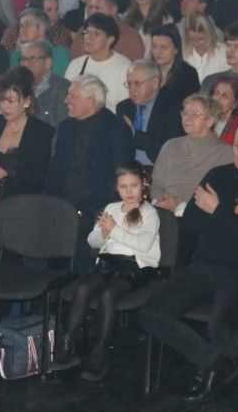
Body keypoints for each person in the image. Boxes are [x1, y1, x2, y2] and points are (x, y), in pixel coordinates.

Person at [139, 122, 238, 403]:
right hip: (205, 266)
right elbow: (192, 223)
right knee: (151, 312)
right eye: (237, 145)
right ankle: (215, 364)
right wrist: (234, 212)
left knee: (222, 329)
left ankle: (213, 373)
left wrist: (219, 211)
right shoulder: (218, 175)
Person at [52, 161, 161, 381]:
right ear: (116, 187)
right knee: (82, 289)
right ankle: (67, 343)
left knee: (108, 293)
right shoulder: (111, 209)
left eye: (134, 186)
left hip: (136, 265)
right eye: (123, 187)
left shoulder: (149, 213)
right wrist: (102, 232)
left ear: (144, 185)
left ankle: (100, 351)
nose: (129, 192)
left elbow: (144, 245)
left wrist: (115, 230)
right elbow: (92, 242)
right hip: (108, 261)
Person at [46, 75, 134, 271]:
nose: (66, 101)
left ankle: (74, 293)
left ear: (91, 101)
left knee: (78, 244)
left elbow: (120, 181)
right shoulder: (66, 127)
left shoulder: (116, 128)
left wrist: (82, 209)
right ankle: (51, 294)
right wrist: (51, 202)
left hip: (94, 206)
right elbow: (56, 171)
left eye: (72, 96)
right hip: (61, 202)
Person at [0, 65, 54, 207]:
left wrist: (9, 173)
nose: (4, 106)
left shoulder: (41, 131)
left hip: (21, 202)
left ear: (26, 101)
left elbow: (39, 176)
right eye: (2, 100)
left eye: (11, 101)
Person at [64, 13, 131, 112]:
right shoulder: (76, 65)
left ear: (110, 40)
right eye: (86, 32)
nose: (89, 37)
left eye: (96, 33)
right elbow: (67, 99)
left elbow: (124, 108)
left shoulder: (124, 67)